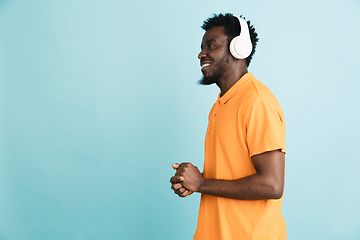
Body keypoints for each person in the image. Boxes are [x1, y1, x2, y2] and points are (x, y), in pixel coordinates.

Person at [170, 13, 287, 240]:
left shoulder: (256, 101)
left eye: (210, 45)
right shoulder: (221, 104)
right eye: (202, 47)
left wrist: (202, 183)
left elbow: (272, 184)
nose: (201, 54)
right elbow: (231, 175)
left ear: (238, 49)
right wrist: (193, 182)